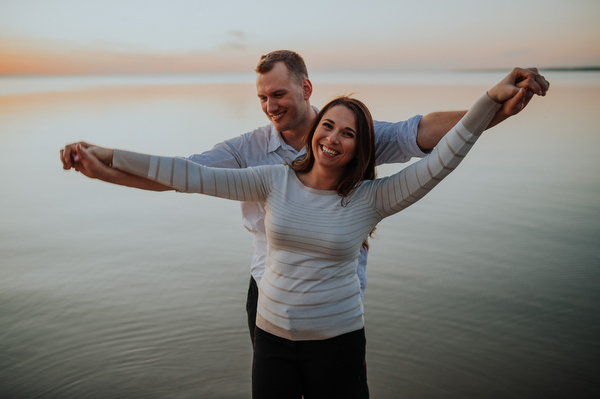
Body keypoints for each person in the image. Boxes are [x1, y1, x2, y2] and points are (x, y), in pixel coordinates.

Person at [60, 50, 549, 397]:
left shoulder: (369, 195)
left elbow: (437, 147)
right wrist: (101, 162)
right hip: (270, 305)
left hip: (336, 319)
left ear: (305, 89)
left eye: (280, 93)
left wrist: (493, 105)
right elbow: (184, 175)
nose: (272, 105)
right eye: (262, 97)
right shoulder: (266, 171)